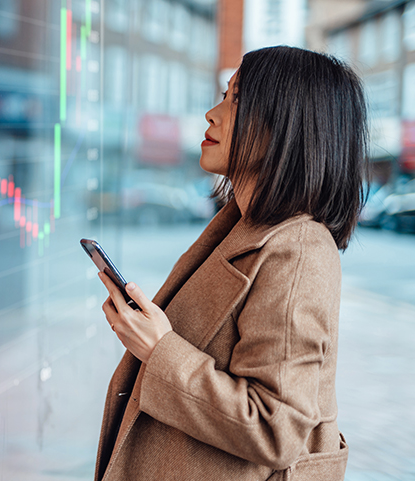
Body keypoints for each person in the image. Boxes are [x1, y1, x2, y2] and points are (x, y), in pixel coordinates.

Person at [94, 46, 367, 480]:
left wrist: (158, 349)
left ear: (287, 124)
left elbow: (275, 427)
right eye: (224, 95)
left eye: (235, 100)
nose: (211, 113)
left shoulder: (297, 247)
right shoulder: (243, 226)